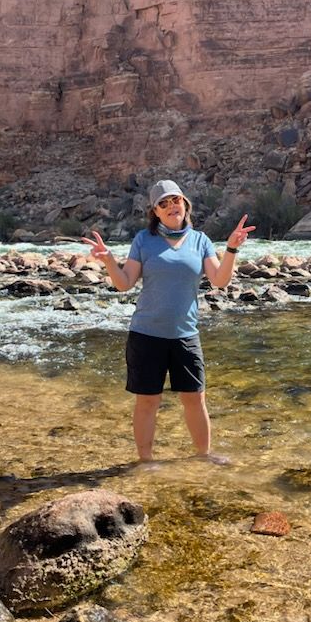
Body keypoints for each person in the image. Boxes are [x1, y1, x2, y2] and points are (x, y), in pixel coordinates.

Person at [83, 180, 255, 462]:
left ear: (185, 204)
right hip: (146, 334)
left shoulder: (201, 241)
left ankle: (203, 456)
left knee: (195, 399)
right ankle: (146, 462)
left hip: (185, 335)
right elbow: (125, 283)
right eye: (163, 203)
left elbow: (220, 281)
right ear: (156, 212)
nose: (171, 206)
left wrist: (232, 249)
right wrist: (109, 261)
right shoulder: (143, 240)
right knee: (148, 401)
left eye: (175, 200)